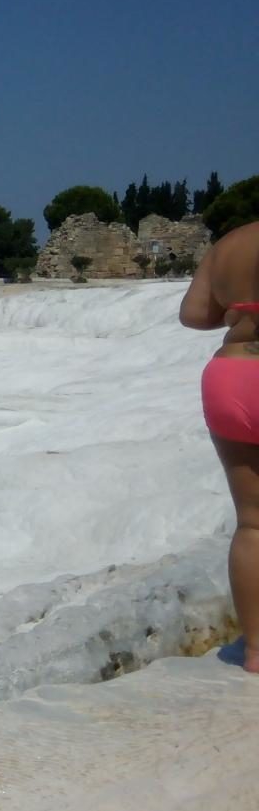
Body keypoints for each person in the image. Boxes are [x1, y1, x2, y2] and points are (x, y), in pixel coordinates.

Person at [181, 221, 259, 673]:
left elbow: (194, 314)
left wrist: (238, 309)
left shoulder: (232, 242)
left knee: (253, 523)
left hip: (230, 376)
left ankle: (256, 650)